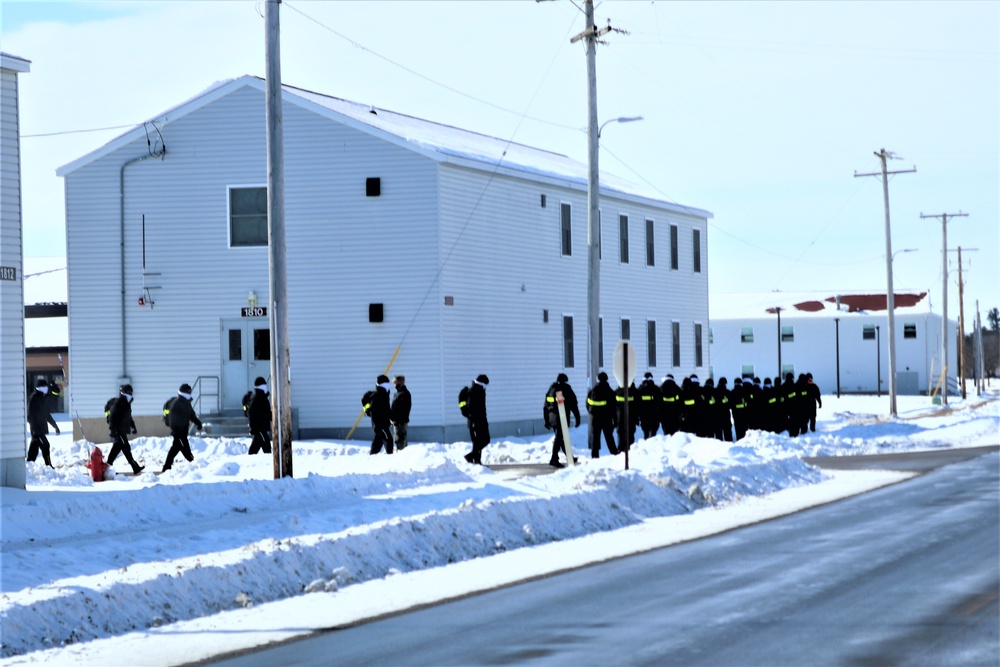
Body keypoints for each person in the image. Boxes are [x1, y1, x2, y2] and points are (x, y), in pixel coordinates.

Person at [162, 383, 203, 472]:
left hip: (183, 430)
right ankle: (192, 462)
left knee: (175, 448)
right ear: (185, 393)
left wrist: (198, 424)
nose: (190, 394)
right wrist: (175, 431)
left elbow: (192, 415)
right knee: (184, 448)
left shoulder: (186, 403)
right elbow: (172, 419)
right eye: (189, 392)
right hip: (178, 431)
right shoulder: (177, 403)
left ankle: (166, 467)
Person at [544, 373, 581, 468]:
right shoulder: (564, 390)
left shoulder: (551, 389)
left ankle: (569, 457)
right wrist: (577, 418)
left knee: (560, 438)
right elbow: (573, 405)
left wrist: (546, 420)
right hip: (561, 417)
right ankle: (554, 459)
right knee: (559, 438)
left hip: (552, 417)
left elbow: (545, 406)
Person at [107, 384, 144, 474]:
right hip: (118, 430)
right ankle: (135, 467)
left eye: (131, 392)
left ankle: (107, 466)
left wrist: (133, 426)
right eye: (129, 392)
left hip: (122, 430)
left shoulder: (126, 404)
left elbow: (128, 417)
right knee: (126, 448)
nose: (131, 394)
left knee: (117, 449)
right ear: (124, 393)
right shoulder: (119, 403)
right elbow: (112, 418)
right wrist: (114, 431)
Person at [26, 379, 59, 467]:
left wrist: (55, 426)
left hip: (40, 429)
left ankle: (29, 465)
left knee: (34, 449)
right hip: (36, 429)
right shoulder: (33, 398)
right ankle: (48, 466)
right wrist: (35, 429)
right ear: (40, 388)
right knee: (45, 445)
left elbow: (47, 415)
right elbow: (29, 416)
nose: (46, 388)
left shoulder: (43, 398)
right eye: (45, 387)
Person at [586, 372, 618, 458]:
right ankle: (614, 454)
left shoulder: (592, 391)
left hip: (594, 418)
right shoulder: (610, 392)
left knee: (595, 437)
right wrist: (615, 421)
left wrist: (591, 413)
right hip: (606, 418)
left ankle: (594, 456)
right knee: (609, 437)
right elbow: (614, 408)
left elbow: (587, 404)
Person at [464, 374, 490, 464]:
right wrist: (473, 421)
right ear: (482, 383)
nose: (486, 386)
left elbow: (483, 408)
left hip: (482, 421)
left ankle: (473, 457)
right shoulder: (473, 391)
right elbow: (470, 408)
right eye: (485, 384)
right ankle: (475, 459)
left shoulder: (481, 390)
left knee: (484, 440)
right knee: (478, 441)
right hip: (475, 422)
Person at [247, 377, 272, 455]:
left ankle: (248, 461)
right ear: (262, 387)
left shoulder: (259, 397)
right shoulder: (259, 399)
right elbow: (265, 412)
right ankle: (269, 462)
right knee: (266, 447)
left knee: (254, 449)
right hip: (259, 428)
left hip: (259, 428)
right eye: (265, 385)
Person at [369, 374, 394, 455]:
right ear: (382, 385)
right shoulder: (377, 396)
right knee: (389, 440)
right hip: (380, 425)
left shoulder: (385, 395)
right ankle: (390, 458)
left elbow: (386, 410)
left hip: (384, 424)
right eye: (387, 384)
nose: (388, 386)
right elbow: (374, 412)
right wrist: (377, 426)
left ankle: (371, 457)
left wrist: (392, 418)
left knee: (377, 444)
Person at [636, 372, 662, 439]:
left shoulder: (639, 389)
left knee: (646, 433)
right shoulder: (656, 389)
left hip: (643, 415)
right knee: (653, 433)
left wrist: (638, 416)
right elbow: (660, 402)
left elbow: (637, 403)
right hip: (654, 414)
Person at [615, 381, 638, 452]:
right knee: (630, 433)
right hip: (632, 416)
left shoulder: (617, 391)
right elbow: (639, 405)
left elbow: (612, 405)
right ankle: (630, 448)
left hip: (620, 417)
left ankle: (620, 449)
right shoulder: (635, 391)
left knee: (620, 433)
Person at [390, 375, 411, 451]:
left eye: (395, 382)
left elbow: (403, 409)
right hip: (396, 422)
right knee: (397, 441)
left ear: (401, 382)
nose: (394, 385)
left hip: (401, 423)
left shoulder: (405, 394)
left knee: (401, 442)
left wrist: (396, 419)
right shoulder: (397, 394)